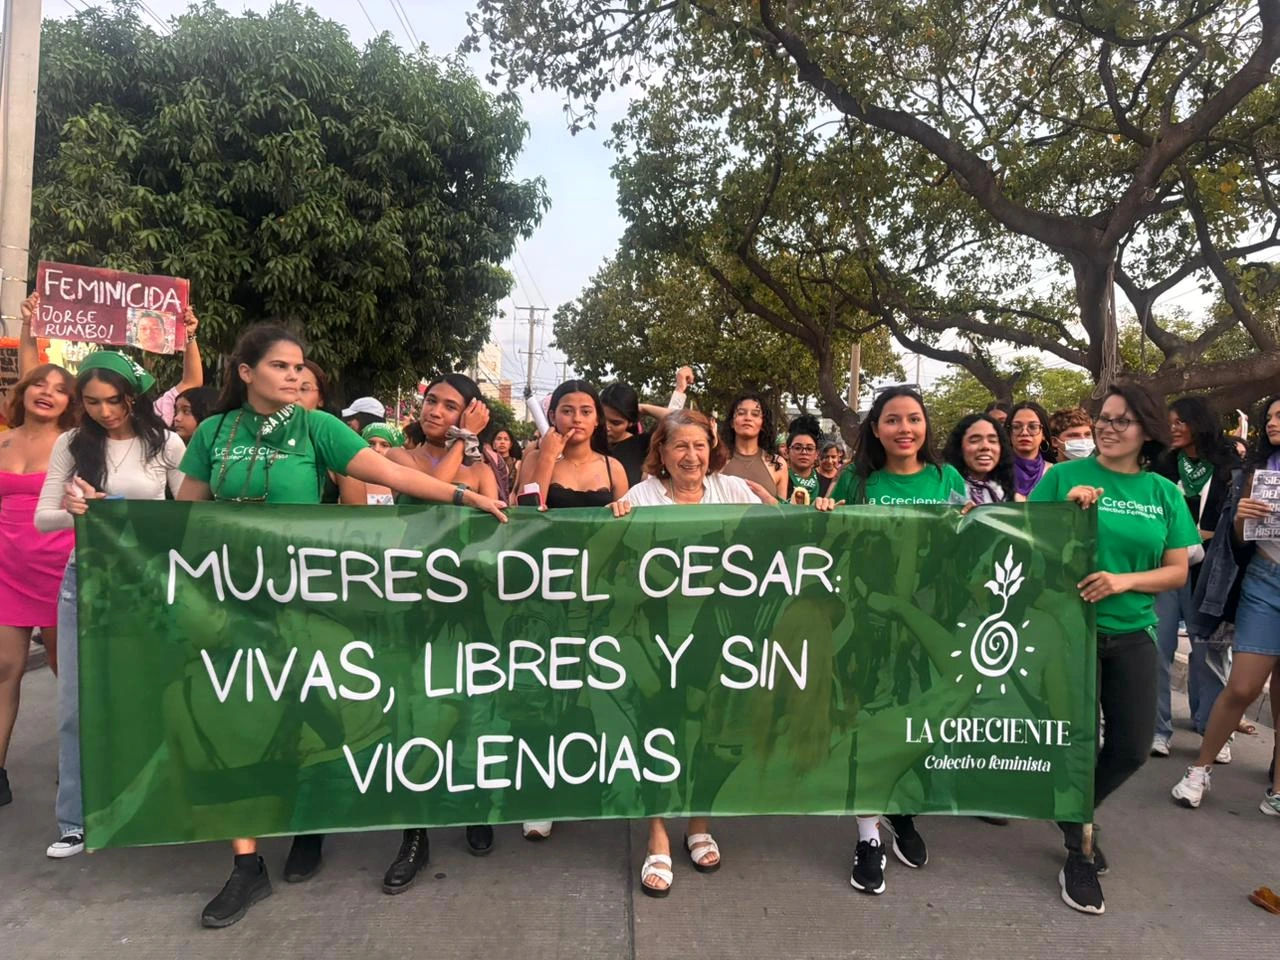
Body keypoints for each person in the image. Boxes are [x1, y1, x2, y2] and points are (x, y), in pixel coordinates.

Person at [175, 325, 505, 928]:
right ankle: (246, 867)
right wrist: (104, 514)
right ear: (246, 372)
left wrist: (464, 500)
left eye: (300, 366)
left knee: (306, 711)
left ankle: (308, 825)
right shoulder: (216, 434)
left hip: (304, 598)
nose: (295, 376)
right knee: (237, 714)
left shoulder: (316, 428)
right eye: (280, 366)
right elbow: (182, 514)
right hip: (233, 596)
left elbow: (394, 477)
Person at [1029, 382, 1199, 915]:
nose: (1107, 426)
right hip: (1067, 631)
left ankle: (1071, 808)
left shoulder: (1164, 494)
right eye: (1104, 417)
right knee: (1077, 742)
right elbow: (1023, 544)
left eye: (1121, 420)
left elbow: (1176, 570)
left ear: (1146, 431)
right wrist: (1069, 518)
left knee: (1130, 746)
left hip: (1132, 633)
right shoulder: (1063, 478)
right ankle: (1078, 848)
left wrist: (1125, 582)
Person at [610, 409, 772, 897]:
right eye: (679, 446)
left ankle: (698, 822)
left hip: (719, 637)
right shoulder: (641, 498)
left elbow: (784, 530)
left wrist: (811, 512)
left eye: (699, 446)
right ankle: (657, 834)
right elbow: (610, 561)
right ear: (660, 452)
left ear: (712, 449)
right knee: (657, 729)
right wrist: (613, 521)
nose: (690, 455)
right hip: (656, 637)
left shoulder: (733, 491)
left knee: (711, 731)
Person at [35, 351, 188, 859]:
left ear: (133, 396)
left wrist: (123, 512)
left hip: (150, 580)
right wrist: (75, 512)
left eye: (114, 400)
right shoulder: (71, 443)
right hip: (88, 577)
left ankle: (158, 803)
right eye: (92, 402)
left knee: (156, 696)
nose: (104, 411)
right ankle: (75, 819)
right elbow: (42, 519)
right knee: (77, 704)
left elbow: (190, 513)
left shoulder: (165, 442)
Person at [815, 386, 964, 895]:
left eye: (914, 420)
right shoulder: (859, 481)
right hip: (870, 624)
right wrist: (823, 514)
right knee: (867, 725)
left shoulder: (947, 479)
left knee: (918, 724)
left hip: (928, 622)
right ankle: (867, 835)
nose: (905, 429)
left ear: (926, 427)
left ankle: (902, 813)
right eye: (893, 420)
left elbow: (971, 543)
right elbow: (831, 544)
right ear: (876, 429)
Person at [513, 380, 629, 839]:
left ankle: (583, 784)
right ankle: (539, 797)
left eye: (584, 411)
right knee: (543, 692)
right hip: (545, 593)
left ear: (597, 420)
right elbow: (526, 514)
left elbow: (630, 529)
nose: (575, 419)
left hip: (598, 595)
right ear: (553, 415)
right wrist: (546, 454)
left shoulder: (614, 467)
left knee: (590, 692)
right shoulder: (533, 460)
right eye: (566, 410)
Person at [1172, 394, 1280, 818]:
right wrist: (1241, 518)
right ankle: (1199, 769)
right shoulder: (1256, 472)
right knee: (1242, 686)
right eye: (1269, 415)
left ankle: (1276, 790)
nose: (1273, 422)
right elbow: (1234, 543)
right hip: (1264, 582)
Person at [0, 362, 77, 807]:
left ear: (71, 403)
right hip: (7, 570)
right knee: (4, 670)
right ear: (24, 390)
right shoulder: (4, 441)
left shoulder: (73, 445)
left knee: (65, 673)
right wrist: (29, 321)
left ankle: (80, 760)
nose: (47, 393)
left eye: (61, 389)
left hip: (58, 569)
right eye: (40, 384)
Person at [1151, 397, 1239, 759]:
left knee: (1210, 652)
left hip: (1212, 571)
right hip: (1168, 565)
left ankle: (1212, 728)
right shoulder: (1163, 464)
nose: (1172, 428)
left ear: (1197, 423)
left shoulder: (1229, 463)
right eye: (1168, 422)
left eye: (1179, 422)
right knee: (1159, 647)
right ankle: (1157, 729)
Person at [719, 392, 786, 497]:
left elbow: (784, 511)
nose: (748, 418)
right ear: (732, 422)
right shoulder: (717, 460)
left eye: (755, 414)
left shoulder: (778, 464)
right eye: (741, 413)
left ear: (763, 423)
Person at [942, 413, 1018, 504]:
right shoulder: (943, 488)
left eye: (992, 441)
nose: (985, 447)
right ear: (959, 446)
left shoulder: (1006, 492)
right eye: (974, 441)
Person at [338, 424, 403, 505]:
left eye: (384, 445)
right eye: (371, 443)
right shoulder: (351, 476)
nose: (376, 449)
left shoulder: (402, 482)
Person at [1009, 401, 1054, 496]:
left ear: (1044, 434)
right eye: (1017, 427)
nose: (1024, 433)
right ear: (1009, 433)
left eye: (1033, 427)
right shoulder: (993, 472)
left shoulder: (1055, 472)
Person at [783, 415, 823, 504]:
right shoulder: (781, 480)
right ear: (786, 451)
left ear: (817, 454)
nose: (804, 452)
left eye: (809, 448)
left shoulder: (825, 482)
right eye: (797, 448)